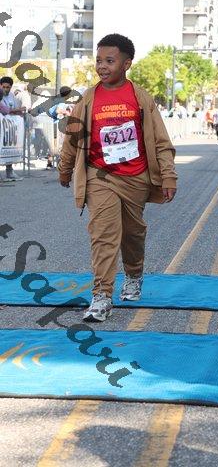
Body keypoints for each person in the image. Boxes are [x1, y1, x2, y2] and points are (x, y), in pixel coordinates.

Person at [58, 33, 178, 322]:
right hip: (100, 176)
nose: (102, 66)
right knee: (103, 235)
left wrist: (169, 176)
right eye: (99, 60)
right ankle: (101, 296)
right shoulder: (88, 98)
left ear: (127, 64)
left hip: (136, 177)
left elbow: (160, 141)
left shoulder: (140, 97)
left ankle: (134, 274)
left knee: (132, 233)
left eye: (109, 61)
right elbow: (72, 138)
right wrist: (65, 168)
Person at [0, 76, 26, 181]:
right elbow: (4, 110)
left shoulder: (11, 96)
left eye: (8, 87)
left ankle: (9, 171)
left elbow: (13, 108)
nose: (5, 89)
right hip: (2, 125)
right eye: (4, 87)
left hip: (9, 127)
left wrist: (19, 112)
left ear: (11, 87)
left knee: (9, 149)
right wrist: (17, 110)